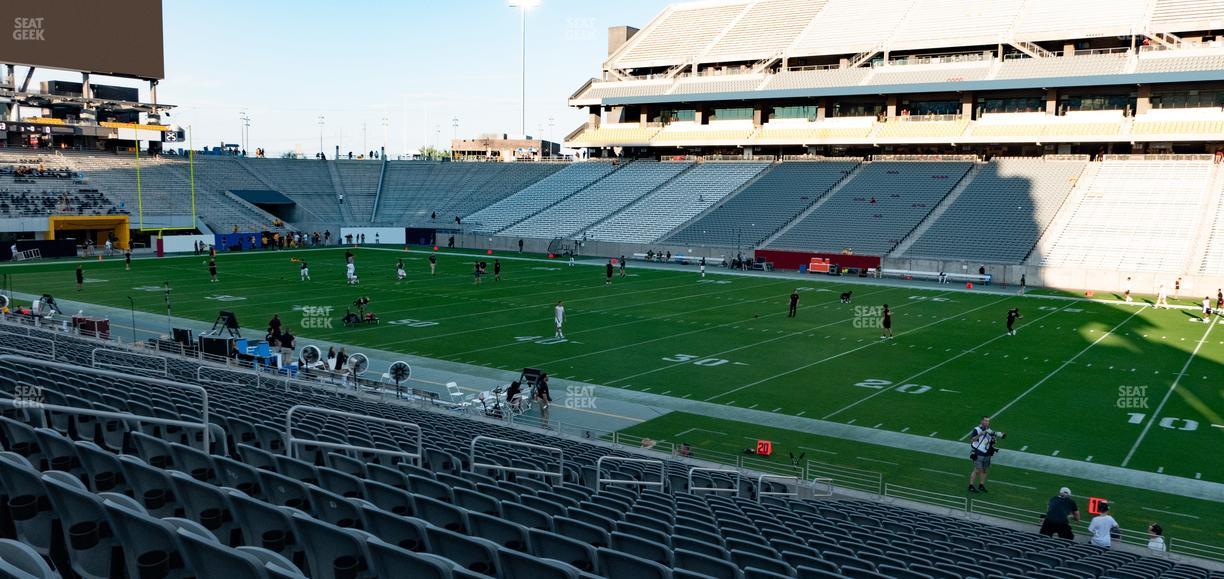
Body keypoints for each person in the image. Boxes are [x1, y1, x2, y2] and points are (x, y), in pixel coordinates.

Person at [968, 416, 1000, 493]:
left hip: (987, 453)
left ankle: (981, 485)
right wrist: (981, 434)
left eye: (988, 421)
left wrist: (994, 440)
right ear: (982, 421)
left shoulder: (989, 430)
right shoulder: (977, 429)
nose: (987, 422)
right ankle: (971, 486)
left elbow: (992, 442)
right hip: (979, 453)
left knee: (984, 470)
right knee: (977, 470)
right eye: (985, 421)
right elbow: (972, 440)